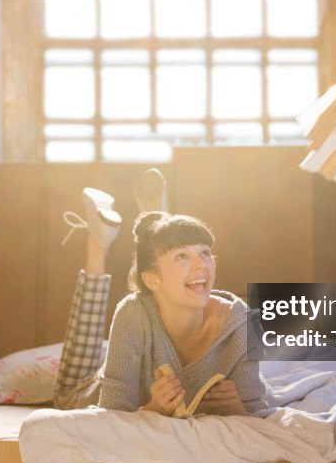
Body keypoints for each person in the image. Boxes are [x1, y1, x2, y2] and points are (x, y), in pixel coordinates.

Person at [53, 175, 271, 418]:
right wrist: (154, 408)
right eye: (183, 256)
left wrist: (235, 408)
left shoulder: (243, 323)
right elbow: (113, 412)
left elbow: (254, 411)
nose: (201, 264)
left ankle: (159, 230)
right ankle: (98, 245)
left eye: (205, 253)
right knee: (65, 395)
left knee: (155, 285)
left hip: (147, 312)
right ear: (152, 279)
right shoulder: (132, 313)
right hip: (93, 388)